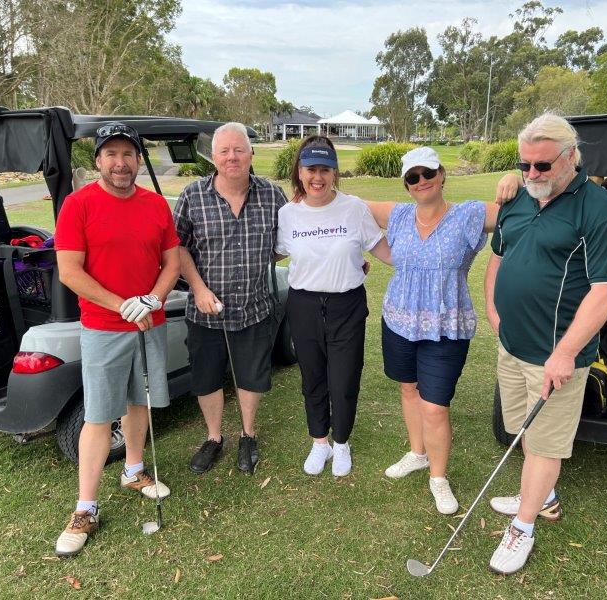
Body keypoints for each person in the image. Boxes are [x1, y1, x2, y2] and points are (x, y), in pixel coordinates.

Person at [484, 112, 607, 574]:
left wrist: (565, 352)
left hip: (555, 356)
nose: (531, 175)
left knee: (544, 445)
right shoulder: (519, 197)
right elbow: (499, 258)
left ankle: (522, 528)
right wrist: (494, 311)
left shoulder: (599, 210)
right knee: (522, 430)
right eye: (523, 164)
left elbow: (606, 291)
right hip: (512, 343)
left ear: (571, 158)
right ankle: (541, 497)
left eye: (542, 166)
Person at [54, 122, 181, 557]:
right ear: (98, 161)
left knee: (138, 401)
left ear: (138, 161)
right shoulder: (78, 204)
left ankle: (133, 469)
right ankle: (85, 508)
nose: (121, 162)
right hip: (104, 328)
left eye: (128, 154)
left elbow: (171, 261)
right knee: (98, 414)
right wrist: (120, 304)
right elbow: (70, 271)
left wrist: (152, 299)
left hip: (150, 321)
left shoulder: (155, 205)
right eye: (111, 154)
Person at [367, 146, 499, 515]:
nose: (421, 181)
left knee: (435, 406)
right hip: (398, 320)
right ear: (406, 185)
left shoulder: (469, 215)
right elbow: (349, 203)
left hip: (446, 325)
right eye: (413, 177)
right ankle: (417, 453)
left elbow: (518, 210)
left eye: (427, 173)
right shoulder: (398, 215)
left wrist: (514, 180)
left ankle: (438, 477)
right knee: (408, 389)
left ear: (442, 175)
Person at [174, 122, 288, 475]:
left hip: (254, 308)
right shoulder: (193, 195)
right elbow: (176, 247)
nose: (232, 157)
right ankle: (213, 438)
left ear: (251, 153)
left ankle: (247, 435)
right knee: (207, 378)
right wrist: (199, 287)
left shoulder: (273, 194)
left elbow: (292, 239)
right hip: (205, 312)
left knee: (251, 377)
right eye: (224, 151)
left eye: (239, 149)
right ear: (213, 157)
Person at [275, 136, 391, 477]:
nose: (318, 177)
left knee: (343, 380)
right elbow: (277, 252)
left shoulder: (354, 209)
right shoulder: (288, 214)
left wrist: (421, 263)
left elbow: (381, 249)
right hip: (304, 304)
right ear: (300, 171)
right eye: (311, 169)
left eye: (325, 169)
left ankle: (341, 443)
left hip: (347, 305)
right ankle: (319, 442)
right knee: (312, 378)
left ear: (335, 172)